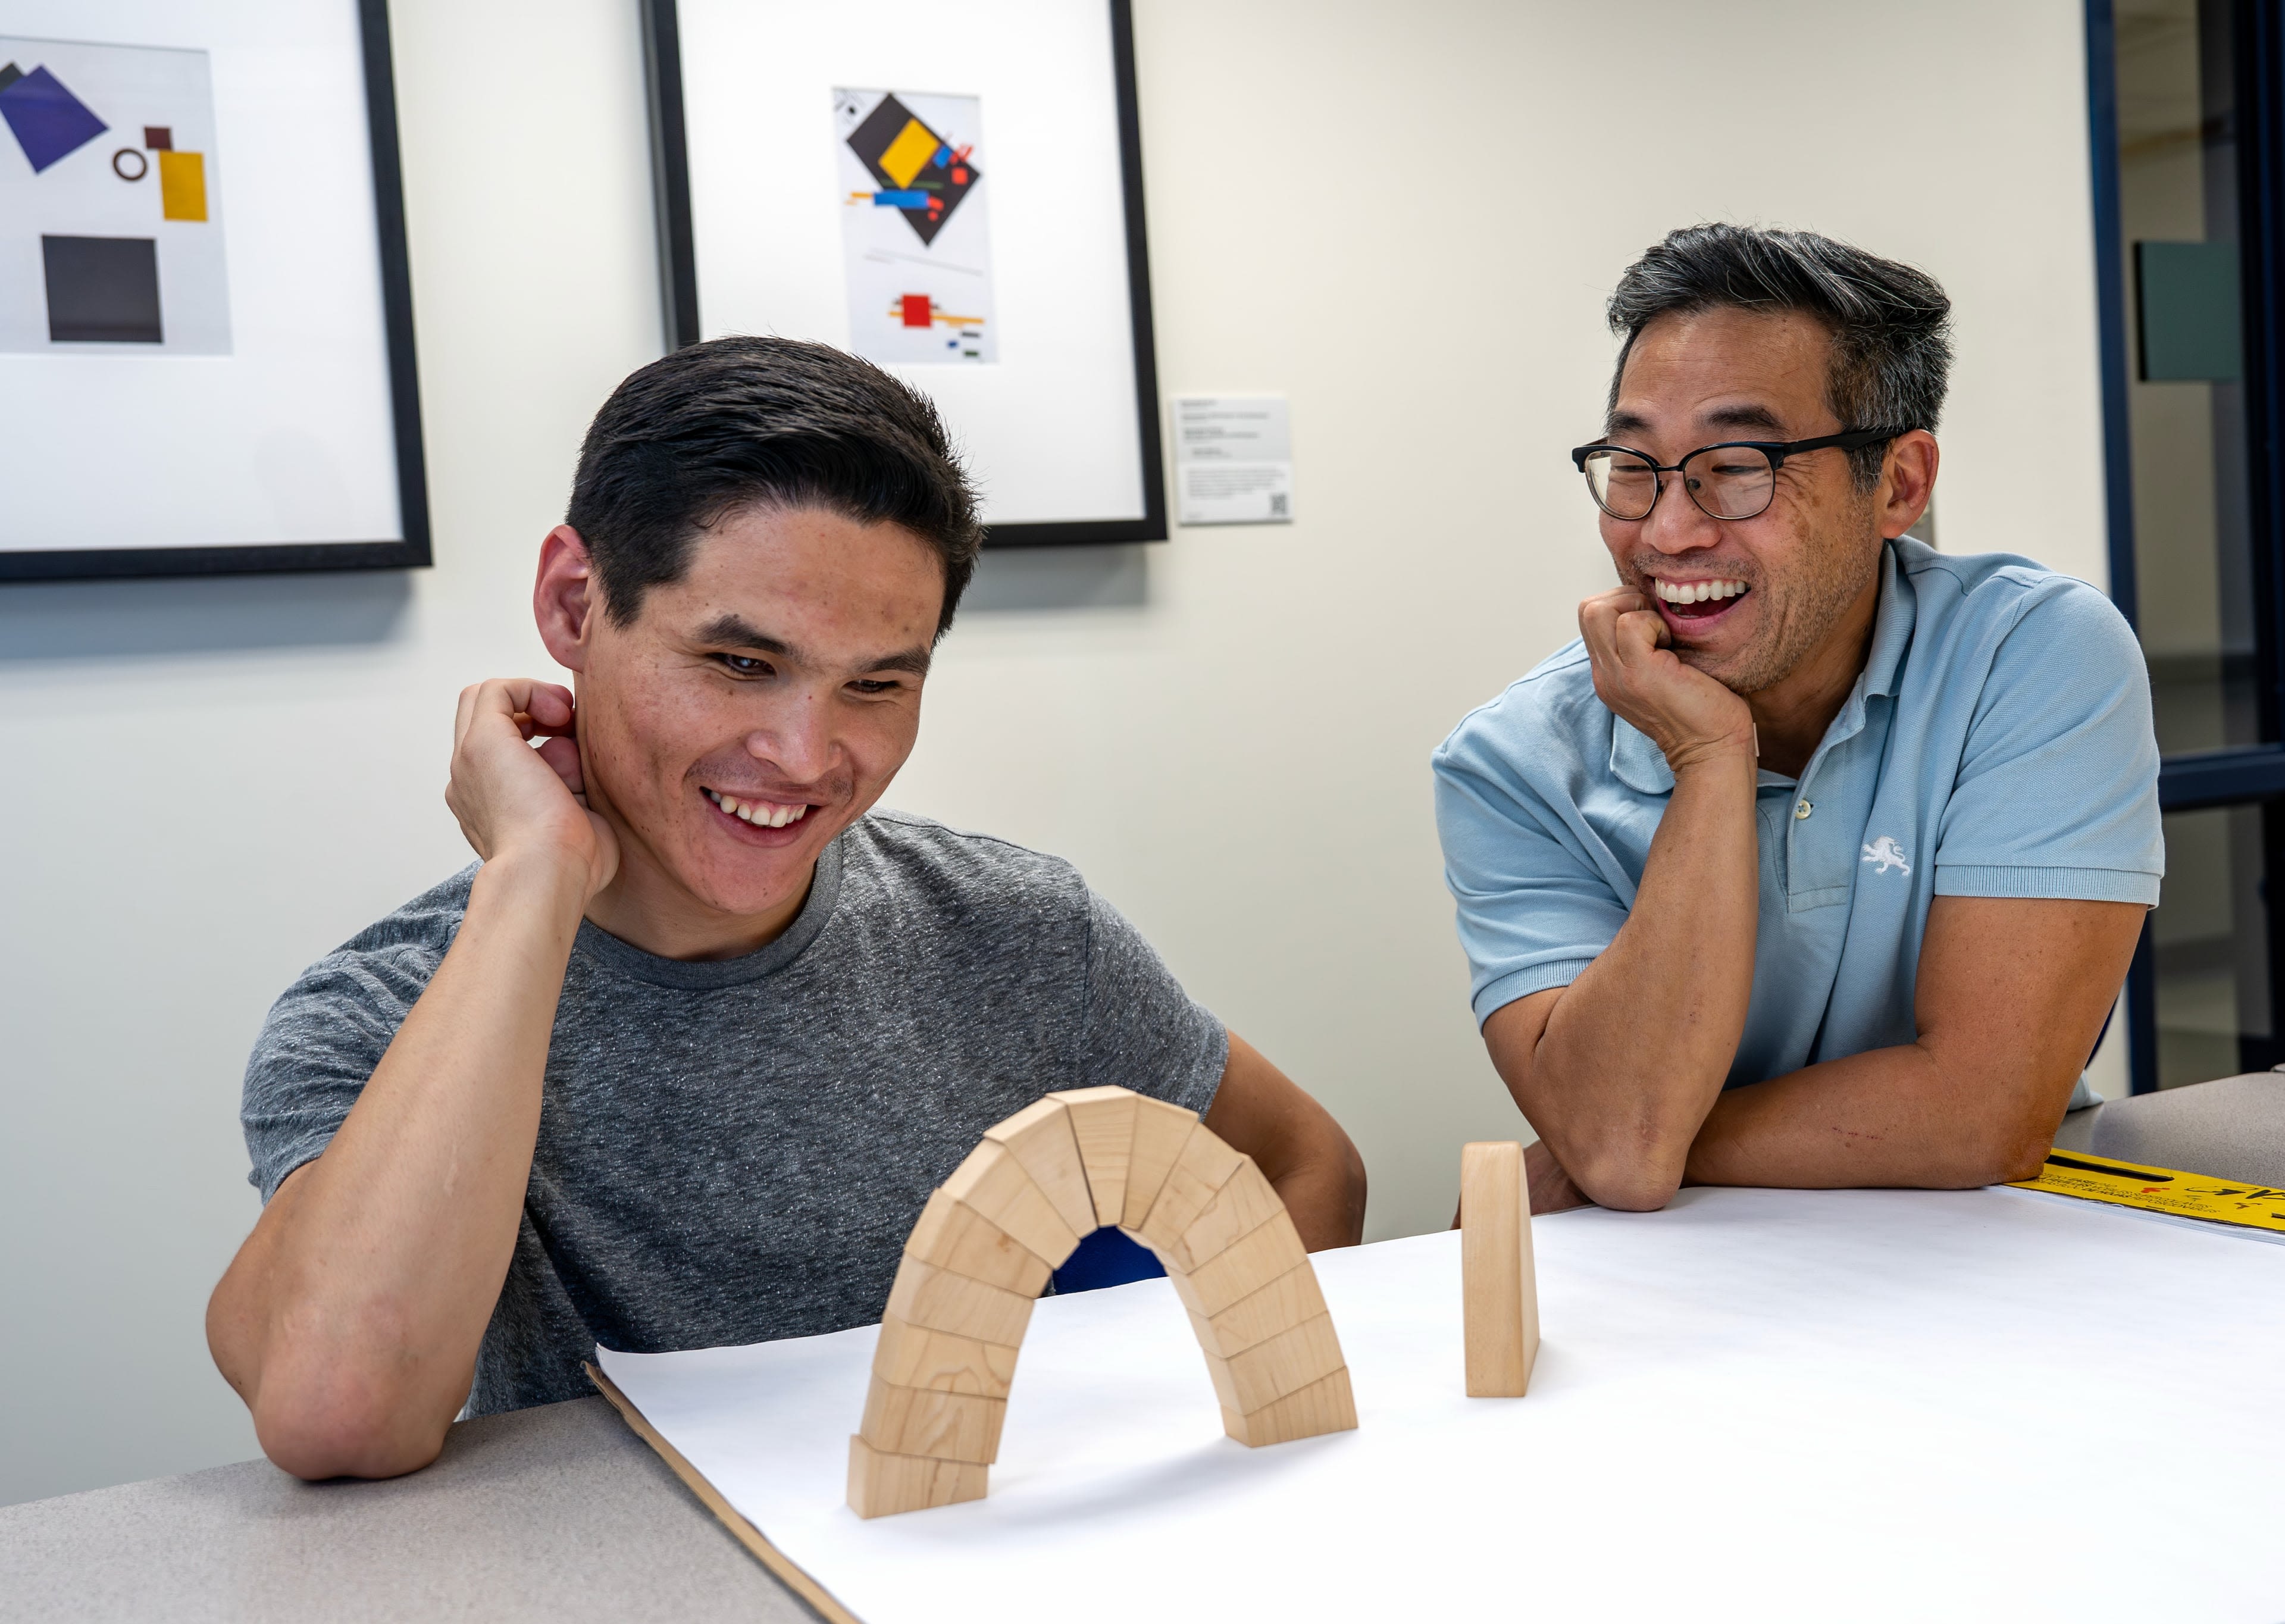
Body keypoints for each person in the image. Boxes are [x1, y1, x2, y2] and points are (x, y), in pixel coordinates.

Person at [208, 337, 1366, 1481]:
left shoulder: (1020, 933)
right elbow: (340, 1408)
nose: (807, 758)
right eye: (742, 666)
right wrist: (528, 881)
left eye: (876, 684)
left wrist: (1159, 1444)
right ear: (573, 604)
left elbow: (1305, 1163)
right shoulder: (384, 1012)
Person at [1433, 224, 2161, 1216]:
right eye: (1634, 464)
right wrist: (1710, 755)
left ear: (1899, 483)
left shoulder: (2033, 655)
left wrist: (1632, 1140)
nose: (1668, 530)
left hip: (1986, 1249)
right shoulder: (1512, 760)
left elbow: (1986, 1112)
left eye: (1737, 464)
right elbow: (1619, 1144)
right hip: (1679, 1288)